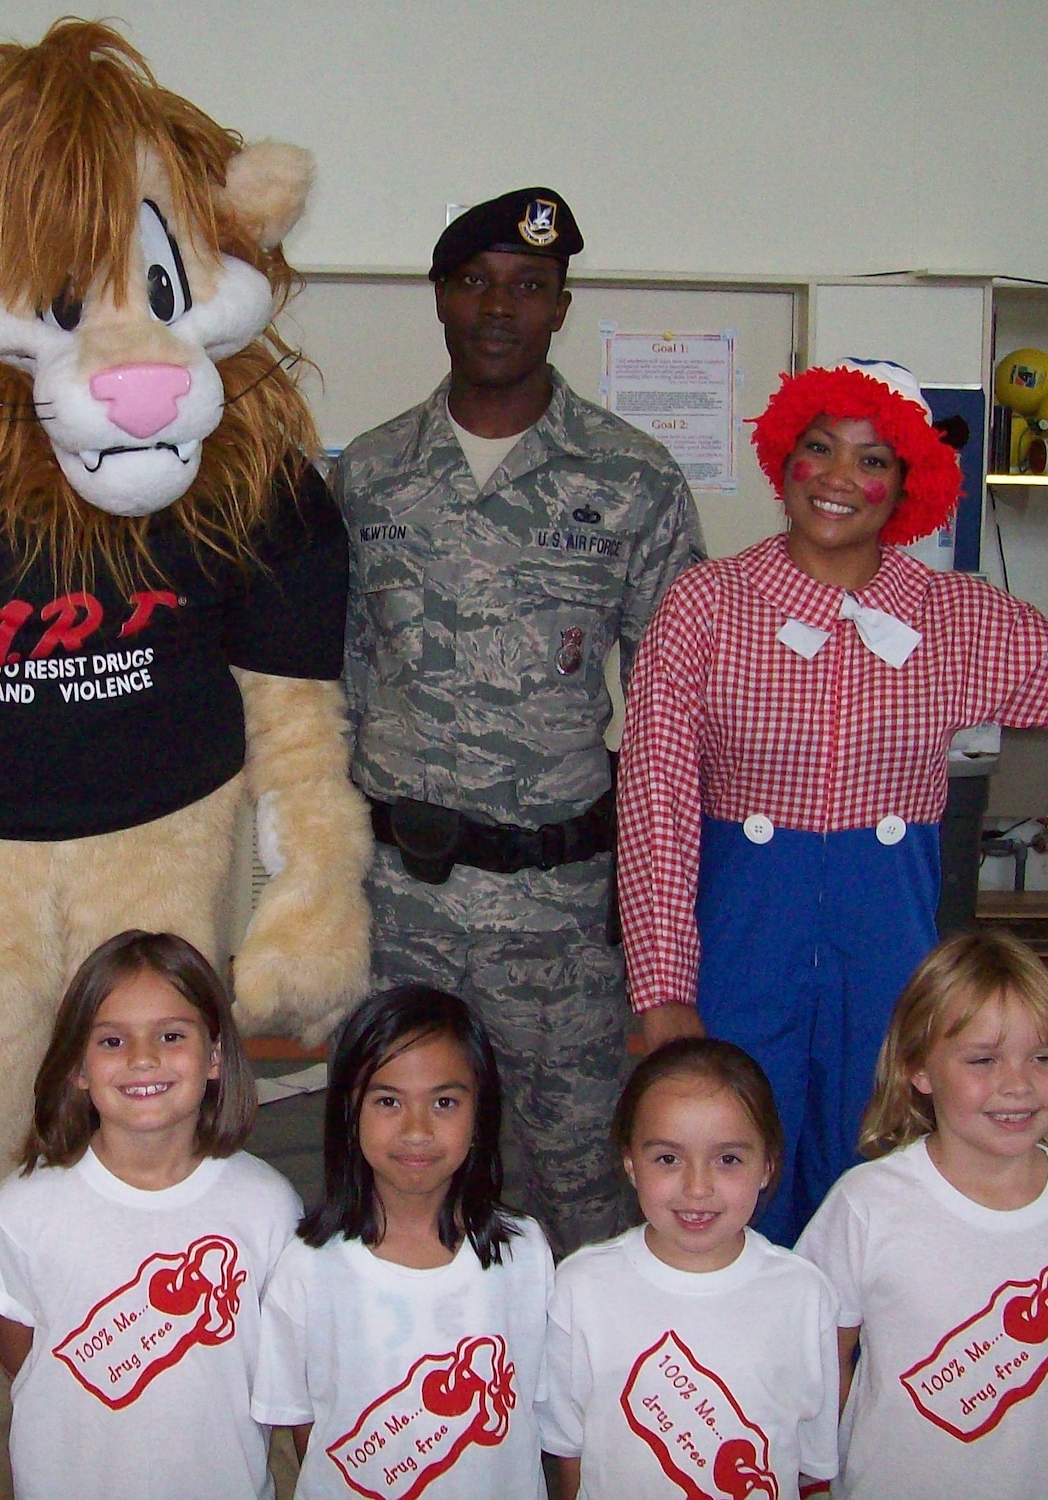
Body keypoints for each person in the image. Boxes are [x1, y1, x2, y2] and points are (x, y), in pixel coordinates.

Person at [619, 366, 1048, 1241]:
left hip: (891, 945)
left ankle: (871, 1368)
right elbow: (654, 805)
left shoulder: (954, 615)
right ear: (787, 460)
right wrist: (662, 988)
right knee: (727, 1172)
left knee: (878, 1176)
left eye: (872, 459)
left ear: (906, 483)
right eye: (820, 449)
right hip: (740, 941)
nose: (841, 478)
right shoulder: (708, 604)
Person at [338, 187, 705, 1255]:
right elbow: (336, 686)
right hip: (402, 908)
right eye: (475, 283)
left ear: (560, 307)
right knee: (400, 1179)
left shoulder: (629, 477)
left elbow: (674, 715)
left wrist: (659, 929)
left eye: (528, 287)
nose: (499, 307)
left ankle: (580, 1415)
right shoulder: (370, 474)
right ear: (441, 302)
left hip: (560, 920)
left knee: (583, 1186)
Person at [795, 932, 1048, 1499]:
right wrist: (812, 1478)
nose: (1017, 1084)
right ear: (918, 1068)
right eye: (983, 1059)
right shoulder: (867, 1205)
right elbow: (820, 1356)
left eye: (1044, 1058)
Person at [0, 931, 299, 1500]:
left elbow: (282, 1374)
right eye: (111, 1041)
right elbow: (23, 1357)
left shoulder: (269, 1207)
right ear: (78, 1066)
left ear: (215, 1056)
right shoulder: (24, 1207)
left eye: (171, 1035)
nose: (143, 1059)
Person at [252, 984, 555, 1499]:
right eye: (389, 1101)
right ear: (350, 1113)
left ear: (480, 1115)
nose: (416, 1130)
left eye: (444, 1101)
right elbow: (305, 1429)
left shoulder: (524, 1252)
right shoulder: (307, 1266)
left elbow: (538, 1409)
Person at [539, 1038, 838, 1500]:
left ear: (767, 1166)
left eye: (728, 1159)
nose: (697, 1188)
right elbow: (569, 1454)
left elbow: (812, 1471)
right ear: (630, 1163)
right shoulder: (582, 1288)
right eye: (668, 1159)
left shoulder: (804, 1293)